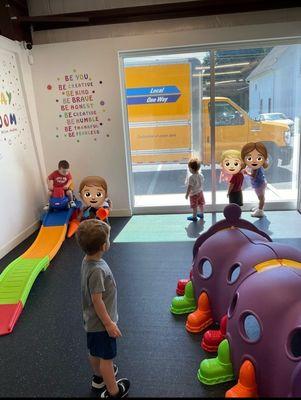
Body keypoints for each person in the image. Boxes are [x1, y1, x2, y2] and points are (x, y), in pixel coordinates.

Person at [76, 219, 130, 398]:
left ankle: (98, 378)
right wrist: (109, 324)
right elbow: (97, 300)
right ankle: (114, 391)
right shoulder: (97, 270)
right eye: (108, 239)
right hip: (101, 323)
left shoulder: (87, 260)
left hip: (90, 321)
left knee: (94, 351)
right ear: (103, 246)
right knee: (107, 358)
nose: (109, 241)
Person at [241, 142, 268, 218]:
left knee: (261, 198)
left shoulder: (255, 167)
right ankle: (259, 208)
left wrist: (246, 173)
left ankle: (260, 211)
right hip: (261, 183)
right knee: (261, 197)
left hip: (259, 184)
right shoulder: (258, 164)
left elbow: (253, 175)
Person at [185, 157, 205, 221]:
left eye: (189, 168)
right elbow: (202, 182)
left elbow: (189, 187)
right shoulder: (201, 175)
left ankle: (194, 217)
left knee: (194, 206)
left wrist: (187, 194)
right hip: (200, 192)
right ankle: (201, 214)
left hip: (194, 194)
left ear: (192, 169)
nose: (189, 169)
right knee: (201, 204)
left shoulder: (191, 177)